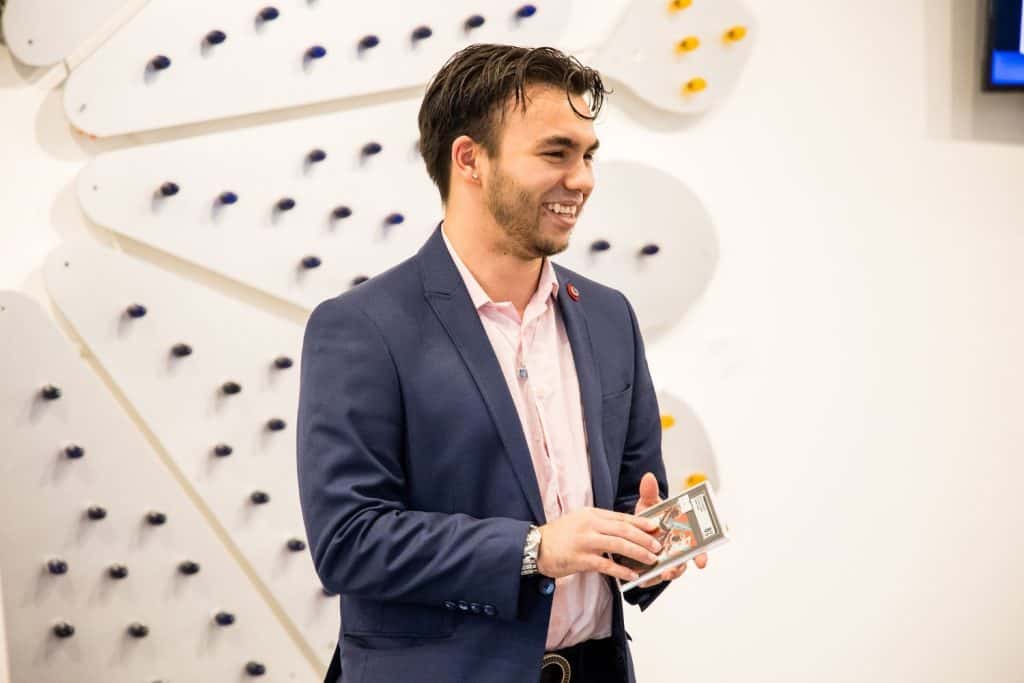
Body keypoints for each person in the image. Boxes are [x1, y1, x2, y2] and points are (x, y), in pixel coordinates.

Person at [296, 43, 708, 683]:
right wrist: (536, 550)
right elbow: (349, 540)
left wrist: (652, 550)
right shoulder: (360, 327)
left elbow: (628, 499)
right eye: (556, 153)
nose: (583, 179)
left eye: (588, 155)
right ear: (470, 160)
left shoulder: (608, 317)